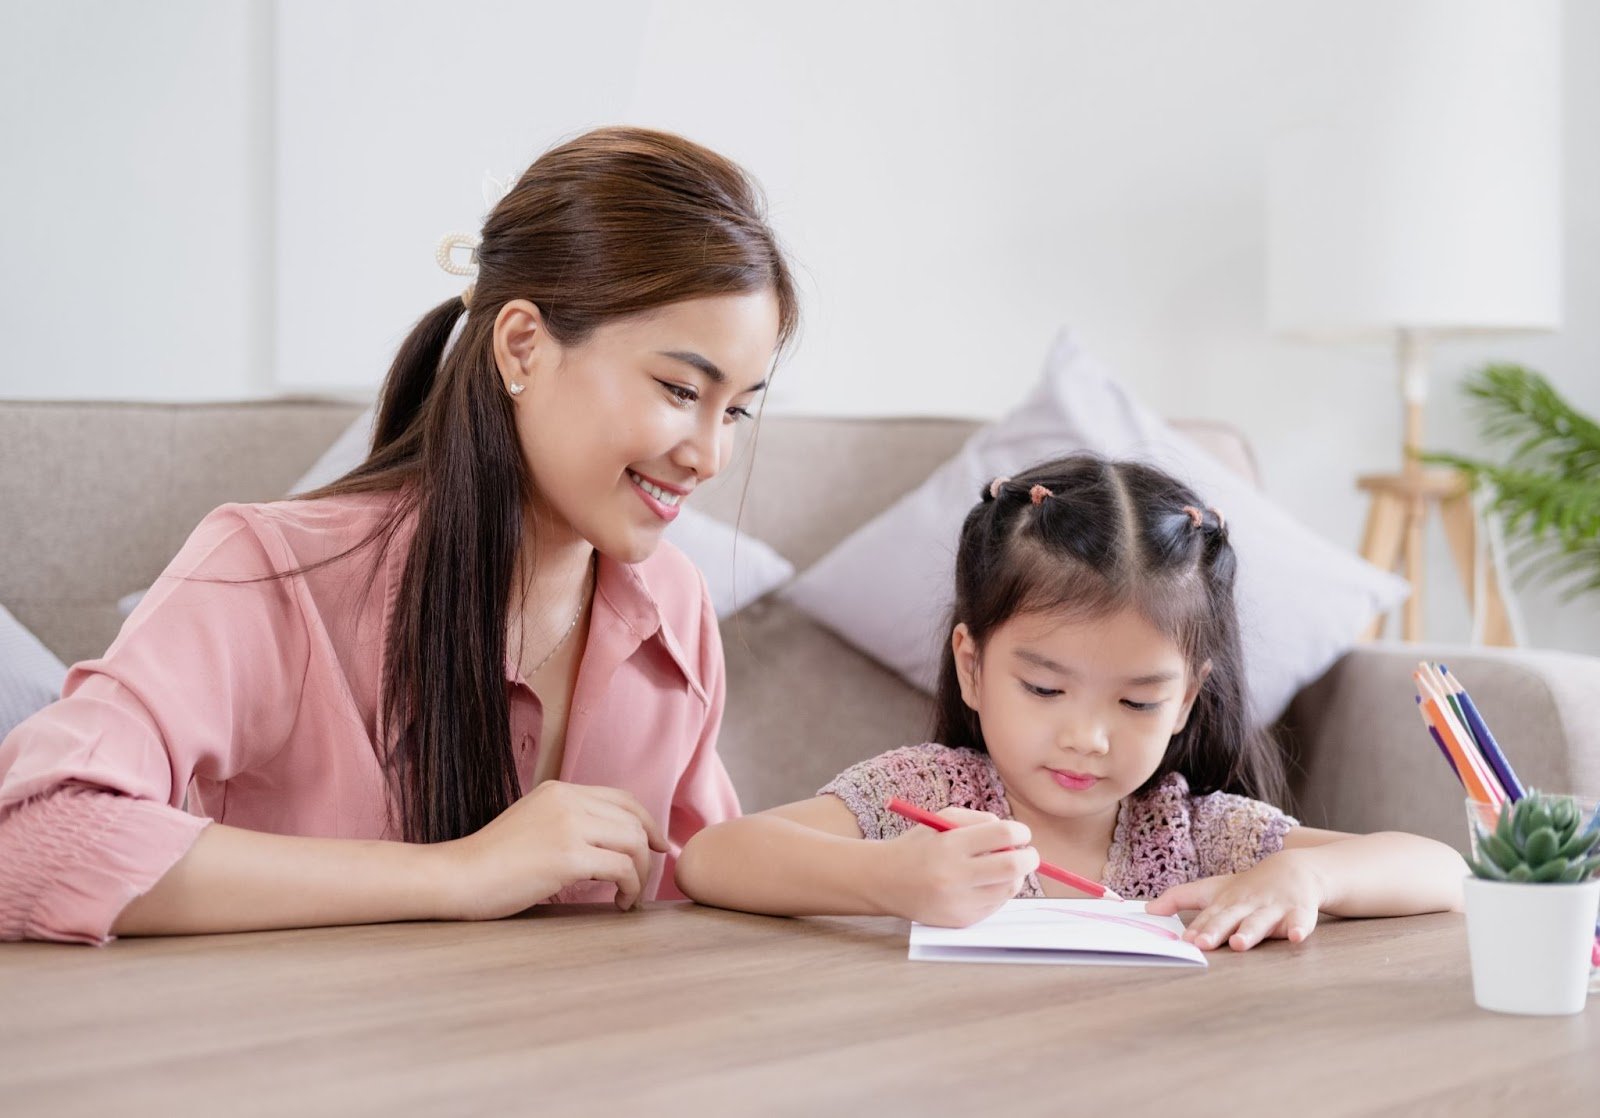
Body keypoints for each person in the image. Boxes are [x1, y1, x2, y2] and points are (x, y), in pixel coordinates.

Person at [0, 126, 798, 944]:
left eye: (735, 408)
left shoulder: (675, 608)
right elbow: (31, 838)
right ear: (522, 344)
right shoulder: (271, 572)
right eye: (678, 389)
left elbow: (705, 886)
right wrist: (461, 872)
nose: (709, 454)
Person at [676, 455, 1466, 950]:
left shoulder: (1194, 830)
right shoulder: (928, 796)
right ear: (973, 668)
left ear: (1189, 700)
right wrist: (890, 878)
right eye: (1046, 688)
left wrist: (1309, 881)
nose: (1088, 736)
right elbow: (713, 859)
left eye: (1138, 701)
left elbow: (1448, 873)